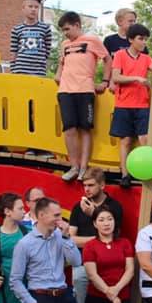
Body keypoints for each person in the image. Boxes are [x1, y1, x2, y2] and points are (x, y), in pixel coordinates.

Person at [68, 168, 125, 303]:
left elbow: (114, 237)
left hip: (110, 266)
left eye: (91, 185)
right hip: (84, 266)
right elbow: (71, 239)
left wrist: (95, 215)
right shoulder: (78, 207)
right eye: (85, 185)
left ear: (102, 185)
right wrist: (96, 241)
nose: (87, 189)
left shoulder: (114, 207)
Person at [55, 11, 110, 182]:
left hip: (85, 89)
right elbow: (62, 63)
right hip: (65, 90)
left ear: (77, 25)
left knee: (85, 129)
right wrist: (58, 75)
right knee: (69, 129)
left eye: (67, 29)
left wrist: (105, 81)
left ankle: (84, 167)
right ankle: (74, 166)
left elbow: (107, 59)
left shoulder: (92, 40)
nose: (65, 33)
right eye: (63, 30)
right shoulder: (64, 44)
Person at [110, 23, 152, 188]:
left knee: (144, 138)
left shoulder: (146, 58)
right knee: (126, 140)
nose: (143, 42)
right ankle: (125, 174)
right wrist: (136, 78)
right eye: (140, 39)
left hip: (142, 104)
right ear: (131, 40)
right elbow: (116, 77)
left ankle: (147, 172)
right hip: (123, 104)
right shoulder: (120, 55)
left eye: (145, 39)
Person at [10, 0, 52, 76]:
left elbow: (47, 52)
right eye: (30, 6)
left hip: (38, 73)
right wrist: (13, 70)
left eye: (36, 7)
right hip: (20, 71)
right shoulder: (16, 29)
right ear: (23, 8)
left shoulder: (45, 28)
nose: (33, 9)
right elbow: (13, 53)